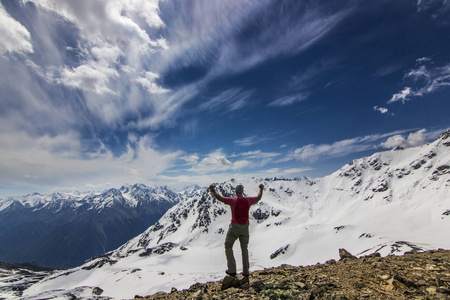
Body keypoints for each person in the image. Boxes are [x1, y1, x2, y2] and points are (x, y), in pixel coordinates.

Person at [209, 183, 264, 283]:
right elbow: (258, 197)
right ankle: (246, 272)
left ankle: (232, 271)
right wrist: (261, 189)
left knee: (228, 245)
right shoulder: (248, 200)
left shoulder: (233, 201)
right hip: (245, 228)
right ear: (242, 192)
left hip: (234, 227)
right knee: (244, 249)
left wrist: (213, 191)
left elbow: (220, 198)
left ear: (236, 192)